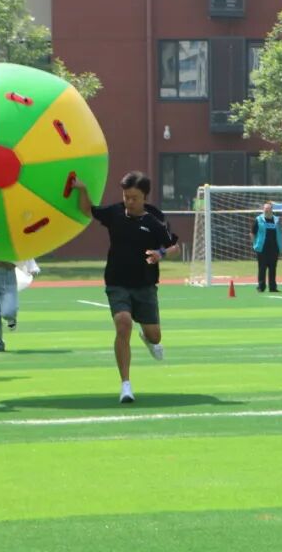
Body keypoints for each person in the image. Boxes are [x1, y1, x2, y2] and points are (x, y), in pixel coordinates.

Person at [72, 171, 179, 403]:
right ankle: (126, 385)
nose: (129, 202)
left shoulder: (155, 221)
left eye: (134, 198)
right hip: (117, 282)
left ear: (144, 197)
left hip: (145, 285)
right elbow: (87, 210)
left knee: (155, 336)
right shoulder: (115, 213)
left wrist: (160, 253)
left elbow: (174, 247)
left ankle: (148, 338)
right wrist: (82, 189)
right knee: (123, 323)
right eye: (126, 197)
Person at [251, 201, 282, 292]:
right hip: (262, 249)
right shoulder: (258, 219)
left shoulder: (276, 220)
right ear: (263, 209)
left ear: (271, 210)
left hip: (274, 248)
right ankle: (261, 287)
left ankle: (273, 287)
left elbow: (279, 233)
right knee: (262, 268)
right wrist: (255, 244)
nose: (267, 210)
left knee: (273, 268)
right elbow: (252, 233)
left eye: (268, 209)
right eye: (265, 209)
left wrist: (280, 246)